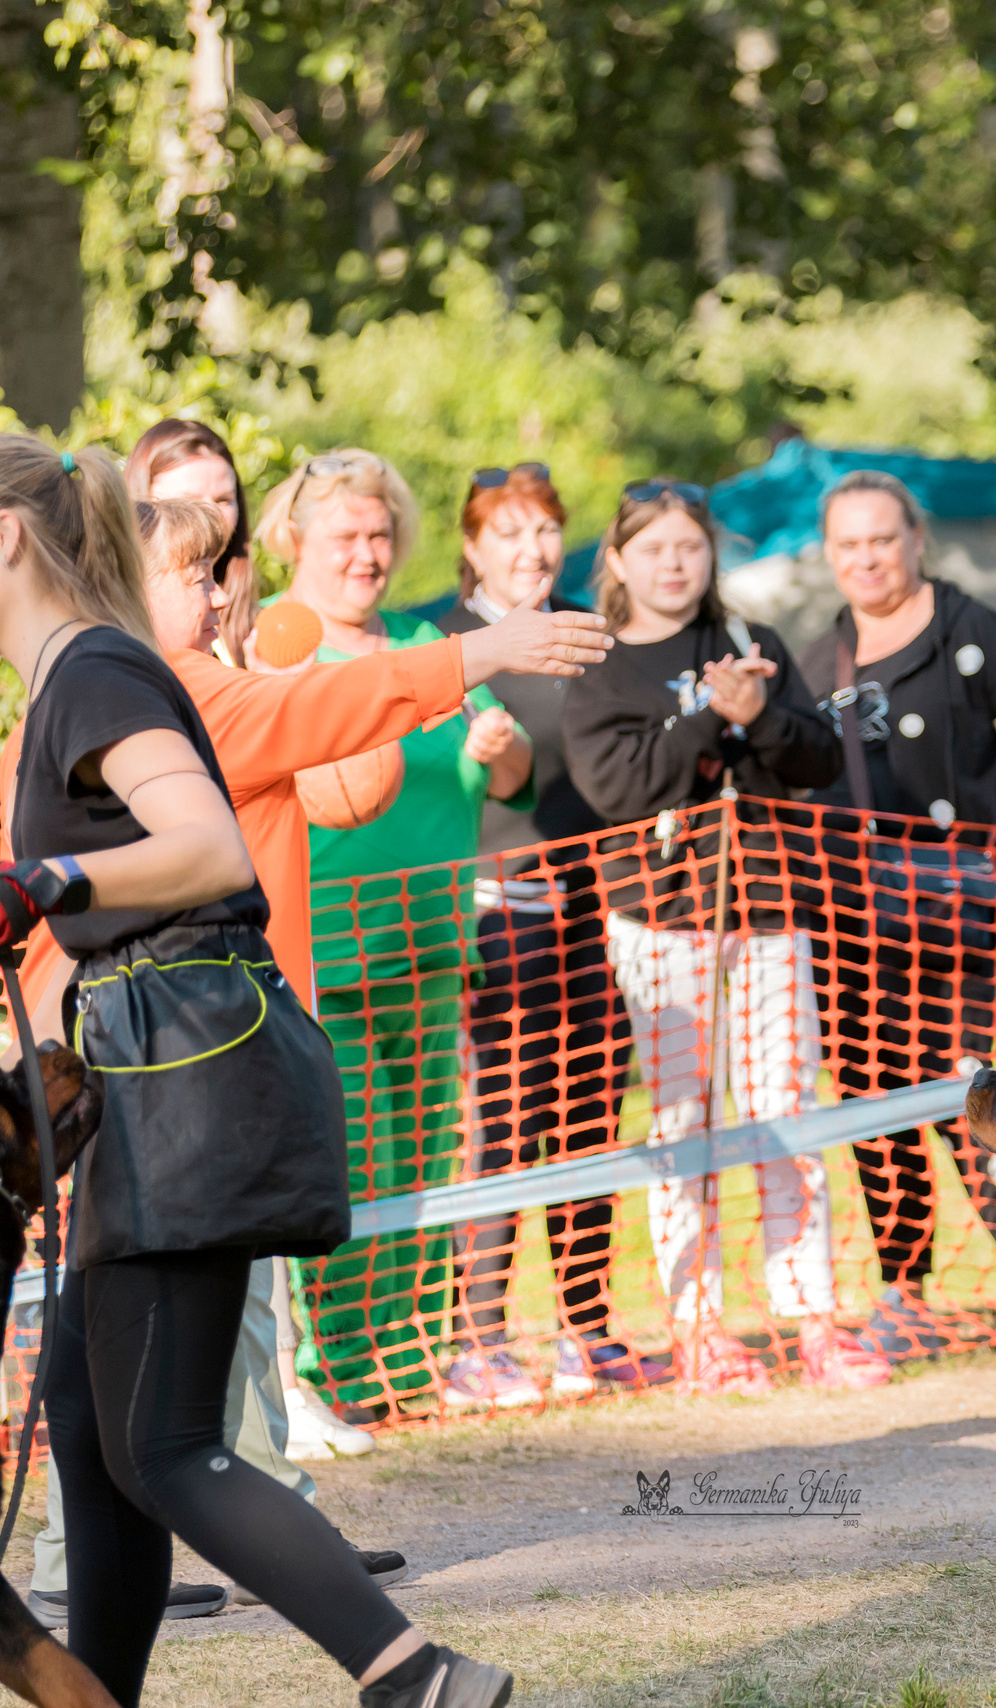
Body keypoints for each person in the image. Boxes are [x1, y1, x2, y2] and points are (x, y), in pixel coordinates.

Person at [0, 435, 514, 1707]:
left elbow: (207, 847)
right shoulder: (69, 677)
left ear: (10, 536)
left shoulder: (98, 672)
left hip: (189, 1082)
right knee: (93, 1404)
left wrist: (46, 880)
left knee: (167, 1445)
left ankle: (416, 1676)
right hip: (150, 1083)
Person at [562, 480, 875, 1394]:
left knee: (784, 1107)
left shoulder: (752, 643)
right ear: (618, 560)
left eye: (690, 548)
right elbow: (618, 788)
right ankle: (696, 1323)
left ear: (711, 557)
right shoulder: (601, 661)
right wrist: (710, 716)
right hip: (659, 920)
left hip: (770, 910)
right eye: (654, 548)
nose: (674, 564)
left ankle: (807, 1313)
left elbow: (818, 758)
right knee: (681, 1120)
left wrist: (761, 716)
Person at [261, 448, 536, 1420]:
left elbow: (511, 776)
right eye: (346, 534)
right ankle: (339, 1369)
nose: (367, 553)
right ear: (296, 538)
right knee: (354, 1162)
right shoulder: (274, 647)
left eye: (380, 534)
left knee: (424, 1158)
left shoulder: (427, 640)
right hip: (328, 953)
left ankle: (410, 1360)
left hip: (432, 947)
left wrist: (499, 746)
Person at [792, 469, 996, 1363]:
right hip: (850, 930)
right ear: (829, 555)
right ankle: (903, 1288)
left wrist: (983, 844)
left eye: (883, 538)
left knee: (974, 1089)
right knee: (876, 1104)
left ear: (916, 538)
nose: (867, 558)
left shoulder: (976, 632)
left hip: (956, 923)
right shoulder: (817, 659)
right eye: (849, 544)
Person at [435, 464, 684, 1407]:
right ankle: (479, 1341)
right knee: (502, 1125)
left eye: (544, 532)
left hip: (602, 910)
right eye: (509, 534)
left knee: (589, 1122)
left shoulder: (594, 632)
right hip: (499, 913)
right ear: (473, 549)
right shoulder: (448, 646)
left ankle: (588, 1330)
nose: (531, 551)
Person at [125, 417, 258, 665]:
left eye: (223, 500)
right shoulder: (115, 637)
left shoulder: (255, 624)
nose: (211, 516)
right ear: (142, 505)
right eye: (189, 503)